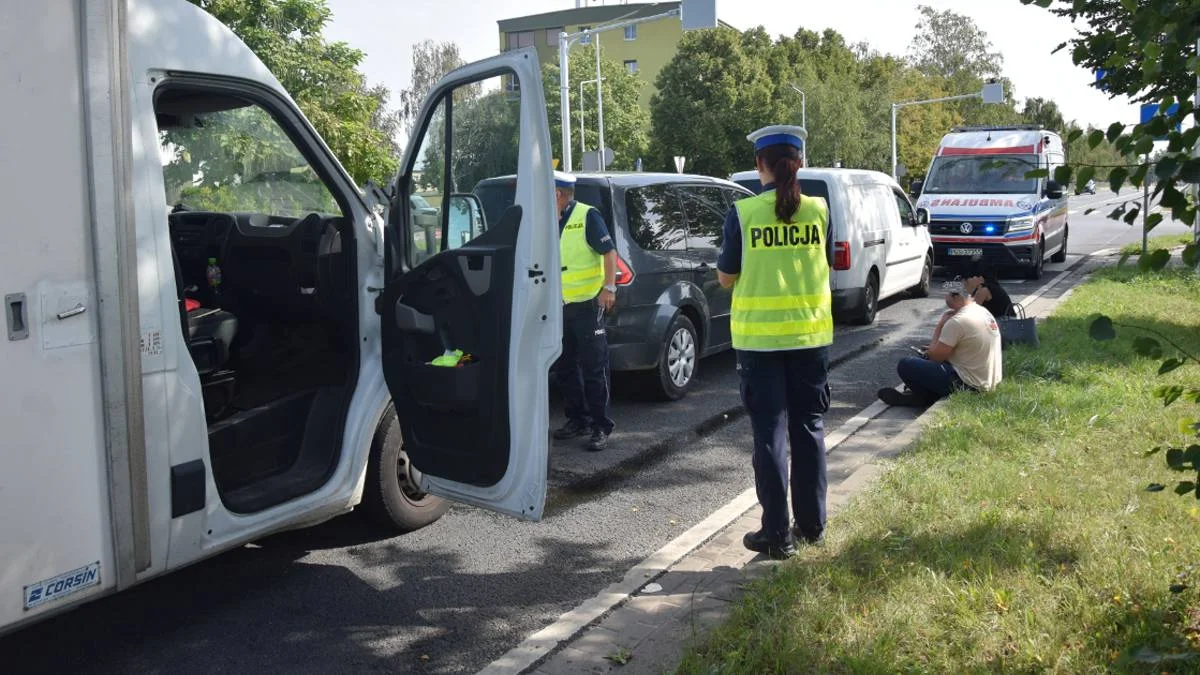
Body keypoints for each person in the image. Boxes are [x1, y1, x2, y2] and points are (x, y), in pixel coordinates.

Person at [717, 125, 833, 560]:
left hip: (760, 345)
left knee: (770, 435)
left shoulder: (743, 215)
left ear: (758, 165)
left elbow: (726, 276)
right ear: (799, 162)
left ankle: (776, 534)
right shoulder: (819, 210)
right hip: (810, 338)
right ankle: (813, 526)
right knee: (809, 429)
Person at [551, 171, 618, 452]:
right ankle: (576, 419)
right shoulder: (549, 219)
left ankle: (600, 426)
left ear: (557, 194)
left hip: (588, 305)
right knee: (565, 366)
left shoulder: (587, 216)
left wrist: (609, 288)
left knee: (594, 367)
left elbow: (609, 253)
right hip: (558, 307)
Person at [878, 279, 1002, 407]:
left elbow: (934, 357)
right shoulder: (981, 311)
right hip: (988, 381)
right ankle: (922, 395)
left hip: (970, 385)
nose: (945, 298)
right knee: (922, 359)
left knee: (906, 364)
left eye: (946, 294)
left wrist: (941, 324)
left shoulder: (956, 321)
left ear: (955, 296)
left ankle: (924, 398)